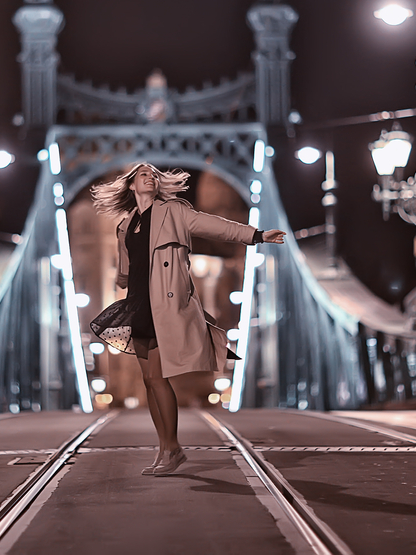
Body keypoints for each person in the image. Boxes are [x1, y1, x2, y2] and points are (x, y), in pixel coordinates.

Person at [89, 163, 285, 476]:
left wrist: (257, 235)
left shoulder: (174, 212)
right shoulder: (126, 225)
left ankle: (173, 448)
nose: (150, 177)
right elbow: (124, 268)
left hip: (165, 303)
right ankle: (165, 448)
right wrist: (122, 280)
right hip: (137, 305)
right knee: (150, 381)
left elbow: (214, 225)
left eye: (154, 175)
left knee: (156, 378)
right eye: (143, 175)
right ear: (130, 186)